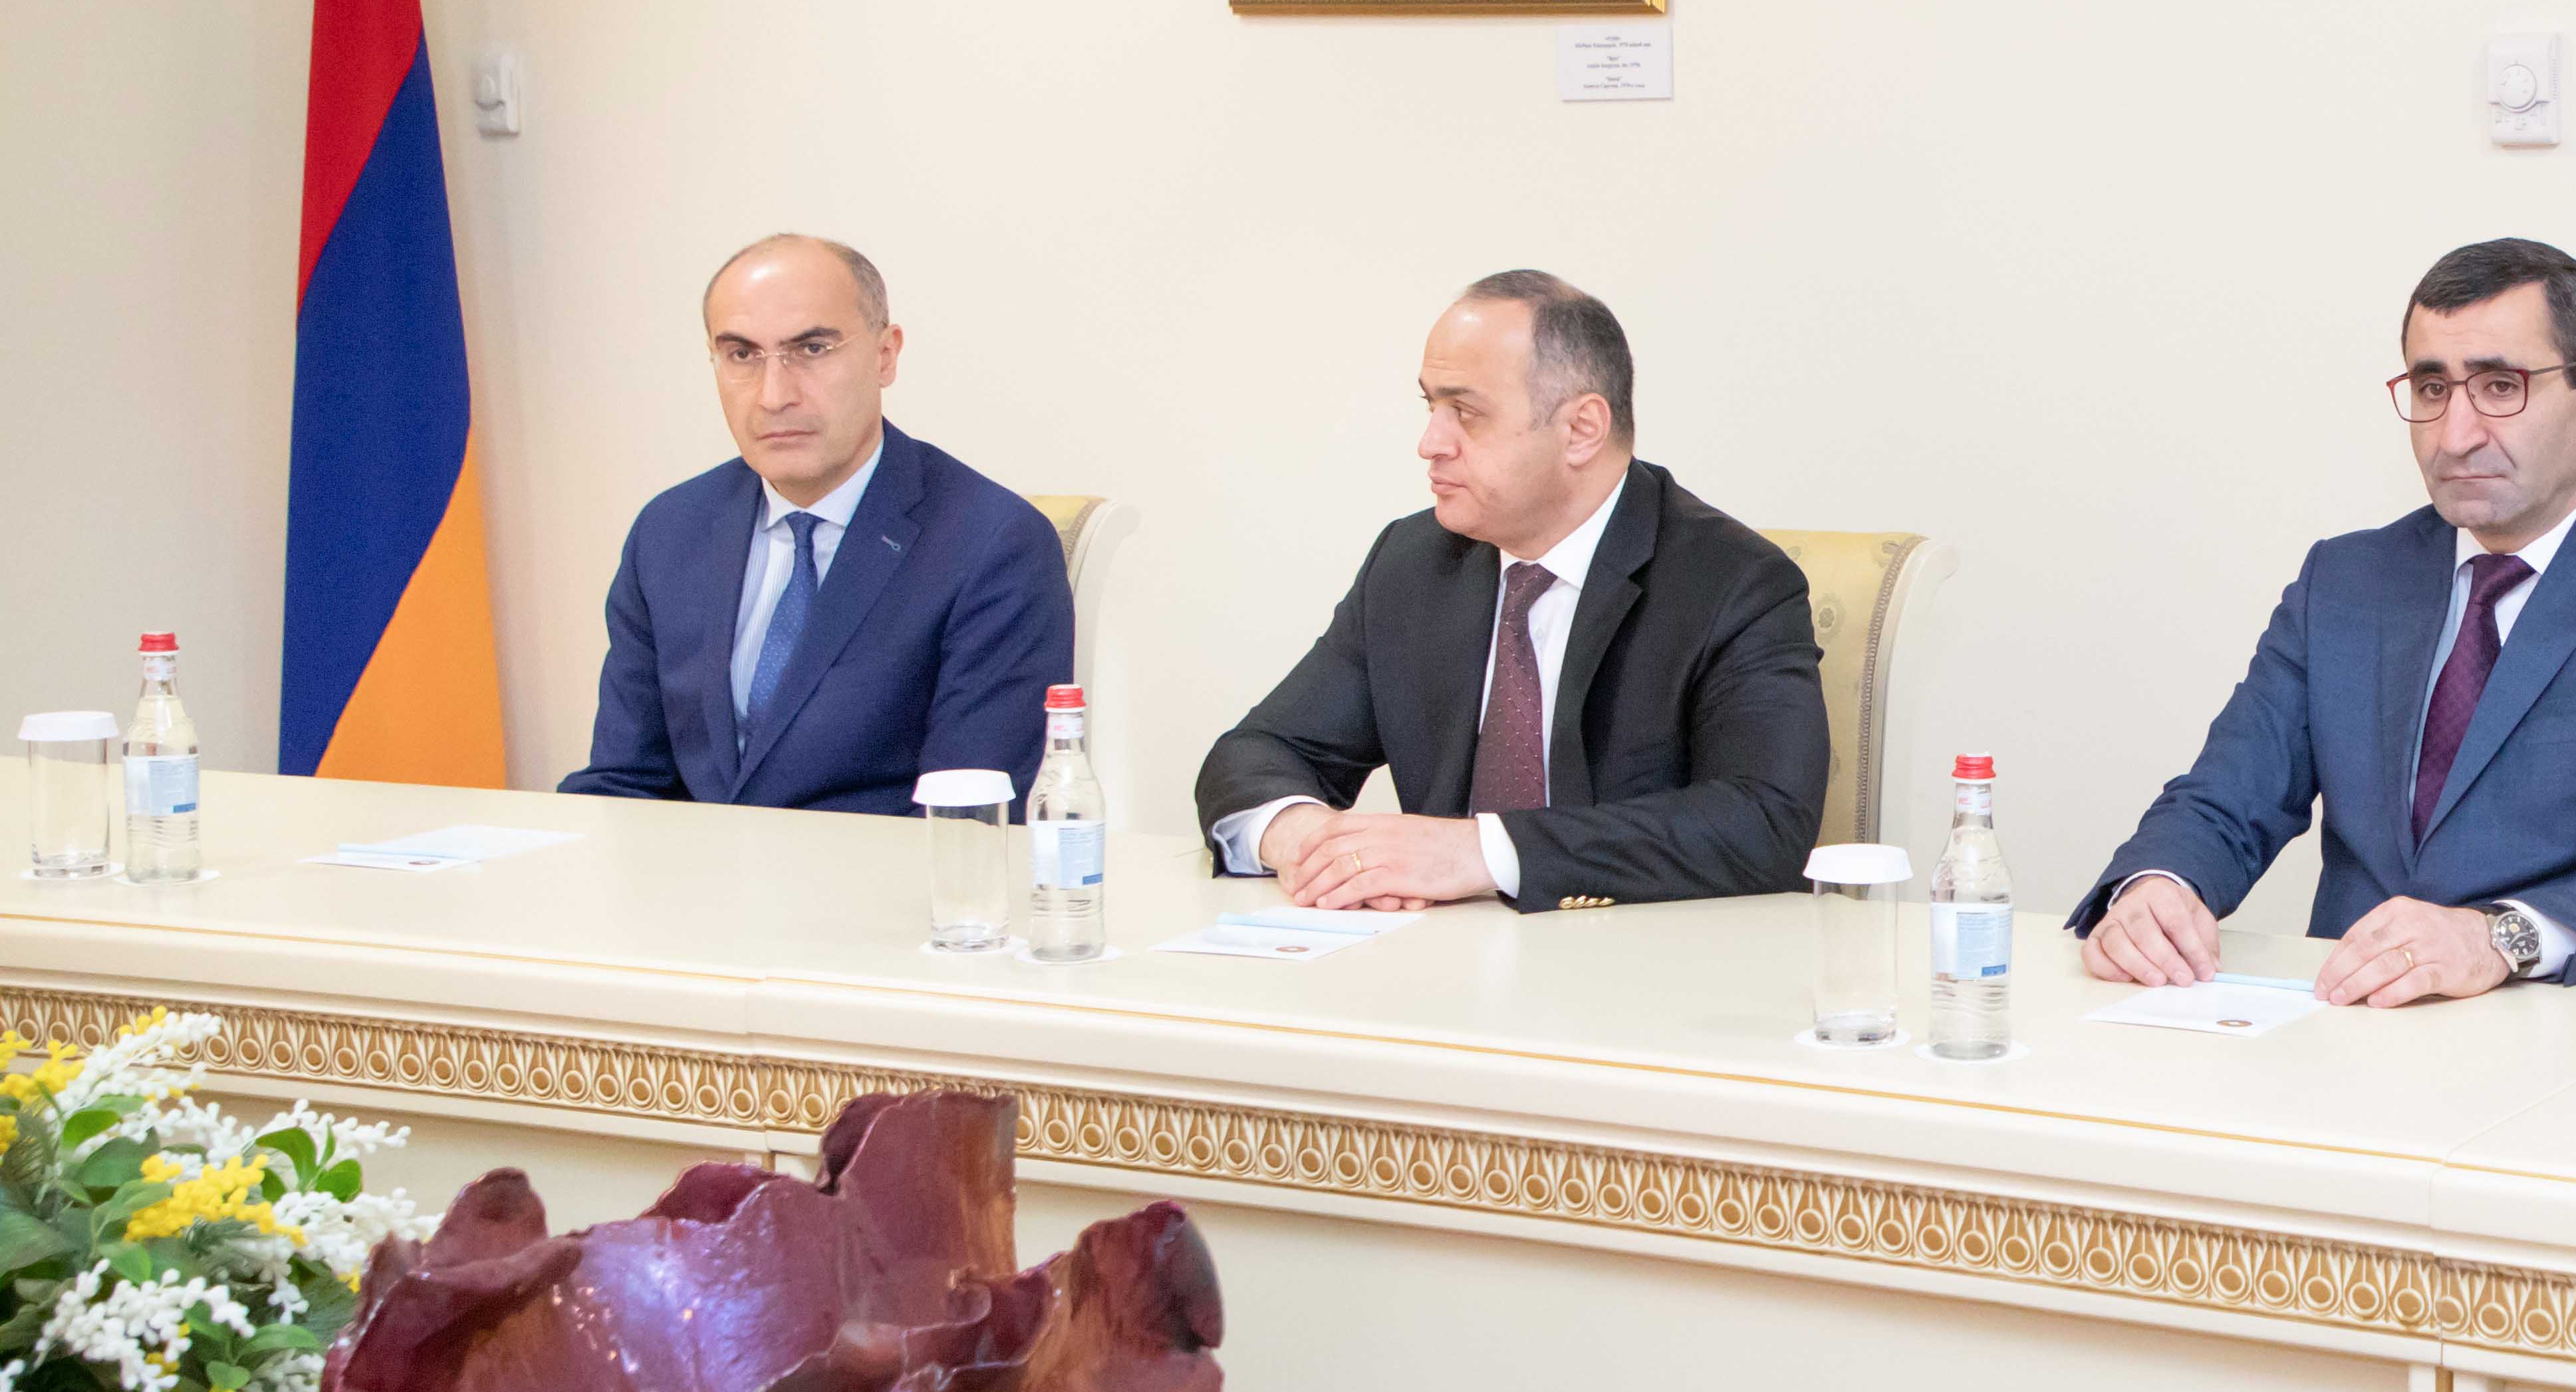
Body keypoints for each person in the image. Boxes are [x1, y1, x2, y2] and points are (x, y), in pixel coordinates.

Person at [2075, 237, 2576, 1004]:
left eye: (2501, 386)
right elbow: (2225, 799)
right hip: (2342, 1028)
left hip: (2564, 1036)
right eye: (2432, 387)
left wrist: (2499, 938)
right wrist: (2159, 885)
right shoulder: (2344, 582)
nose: (2455, 434)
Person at [1196, 271, 1825, 911]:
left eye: (1466, 413)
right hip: (1432, 954)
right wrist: (1309, 841)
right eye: (1431, 408)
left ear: (1581, 430)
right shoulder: (1412, 564)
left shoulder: (1733, 583)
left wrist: (1480, 853)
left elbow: (1765, 823)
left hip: (1638, 960)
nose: (1430, 444)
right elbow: (1258, 752)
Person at [561, 235, 1073, 814]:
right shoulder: (670, 531)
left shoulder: (994, 544)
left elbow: (966, 818)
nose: (773, 396)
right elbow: (625, 781)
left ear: (885, 355)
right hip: (693, 869)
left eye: (811, 349)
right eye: (742, 355)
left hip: (885, 870)